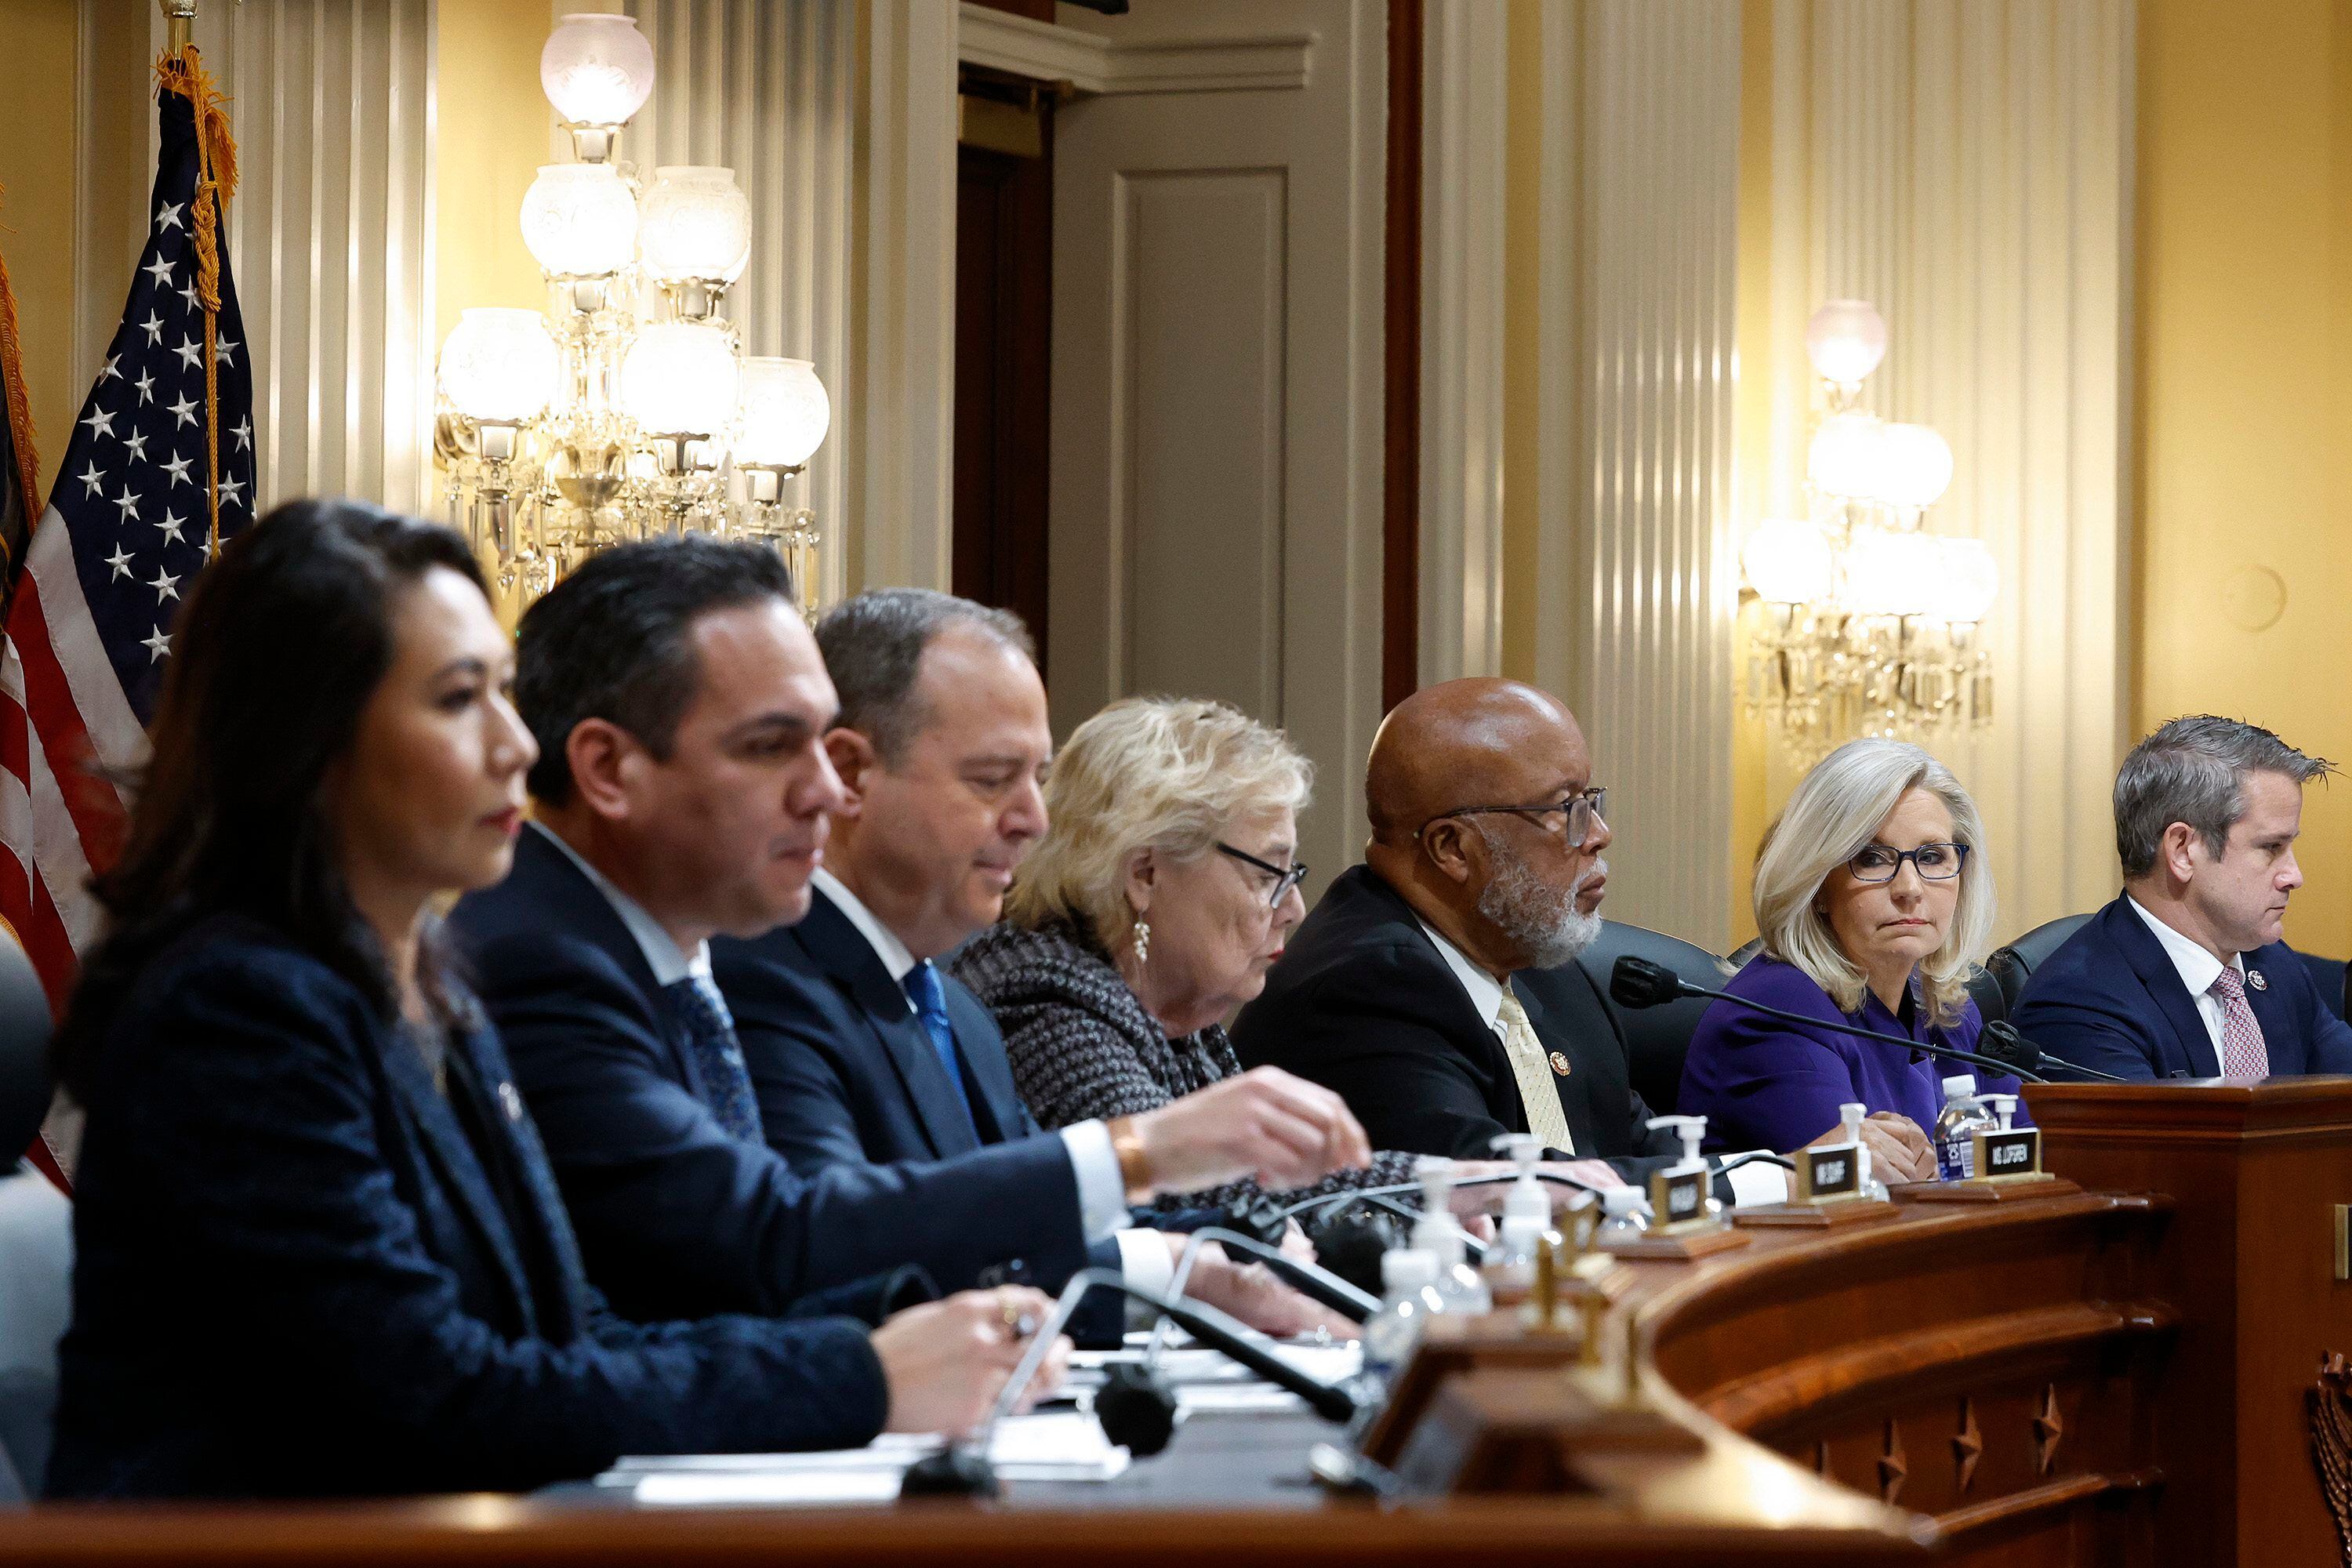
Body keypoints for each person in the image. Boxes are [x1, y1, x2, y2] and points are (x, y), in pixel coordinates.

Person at [44, 501, 1059, 1501]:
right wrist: (862, 1377)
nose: (518, 745)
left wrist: (894, 1343)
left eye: (505, 691)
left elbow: (573, 1332)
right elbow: (437, 1399)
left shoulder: (430, 985)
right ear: (308, 739)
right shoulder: (235, 1009)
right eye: (459, 699)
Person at [451, 555, 1355, 1341]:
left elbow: (957, 1249)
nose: (820, 789)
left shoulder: (942, 1002)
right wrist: (1138, 1153)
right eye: (772, 746)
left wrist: (1189, 1266)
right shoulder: (572, 960)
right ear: (609, 768)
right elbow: (778, 1250)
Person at [711, 590, 1370, 1341]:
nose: (1034, 819)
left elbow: (1016, 1243)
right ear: (850, 775)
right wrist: (1143, 1157)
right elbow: (840, 1256)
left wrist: (1208, 1262)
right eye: (993, 779)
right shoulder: (760, 977)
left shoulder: (959, 1015)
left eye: (1037, 778)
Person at [953, 695, 1621, 1222]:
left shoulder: (1178, 1013)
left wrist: (1466, 1184)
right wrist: (1458, 1187)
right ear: (1146, 875)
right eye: (1268, 874)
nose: (1295, 908)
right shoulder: (1045, 999)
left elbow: (1284, 1183)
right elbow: (1201, 1199)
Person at [1231, 677, 1845, 1200]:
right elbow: (1504, 1196)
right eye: (1564, 808)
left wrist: (1798, 1168)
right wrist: (1780, 1180)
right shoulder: (1365, 989)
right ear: (1452, 848)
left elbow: (1631, 1145)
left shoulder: (1539, 962)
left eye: (1591, 800)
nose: (1599, 833)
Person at [1676, 739, 2011, 1171]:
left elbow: (2026, 1158)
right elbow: (1869, 1191)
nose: (1910, 888)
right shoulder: (1776, 1013)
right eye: (1871, 858)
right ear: (1815, 884)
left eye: (1932, 857)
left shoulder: (1949, 1010)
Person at [2013, 716, 2352, 1080]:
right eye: (2271, 847)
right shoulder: (2078, 1004)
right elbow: (2166, 1122)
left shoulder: (2272, 964)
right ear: (2182, 851)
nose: (2294, 877)